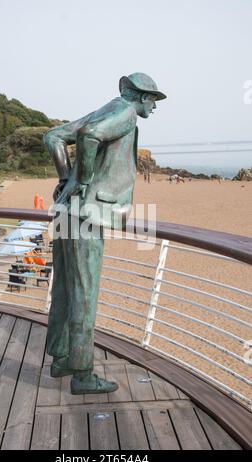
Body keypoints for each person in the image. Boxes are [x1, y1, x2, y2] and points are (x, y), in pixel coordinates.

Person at [44, 72, 166, 395]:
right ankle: (82, 374)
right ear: (141, 97)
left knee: (65, 289)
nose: (155, 107)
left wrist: (66, 178)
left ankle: (61, 358)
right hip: (86, 215)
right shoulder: (125, 113)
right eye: (154, 100)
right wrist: (81, 181)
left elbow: (53, 137)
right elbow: (90, 136)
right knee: (84, 293)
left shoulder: (107, 107)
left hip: (66, 212)